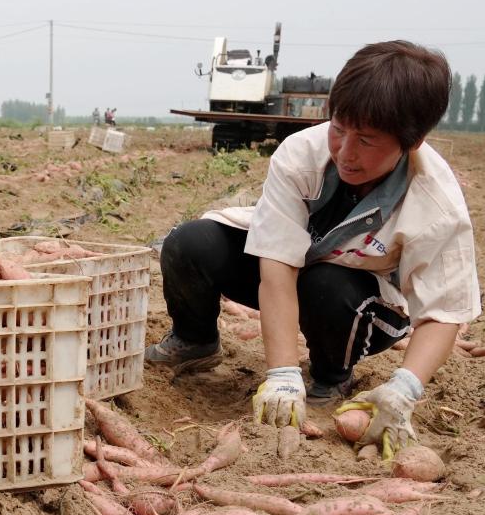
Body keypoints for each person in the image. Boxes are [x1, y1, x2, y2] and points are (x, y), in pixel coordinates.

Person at [144, 40, 481, 459]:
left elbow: (443, 313)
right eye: (339, 128)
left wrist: (406, 387)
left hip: (364, 305)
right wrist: (282, 373)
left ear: (411, 142)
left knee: (327, 284)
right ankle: (196, 340)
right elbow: (278, 265)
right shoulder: (303, 152)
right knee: (191, 243)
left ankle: (330, 377)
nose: (344, 151)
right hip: (294, 273)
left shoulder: (435, 202)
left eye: (366, 140)